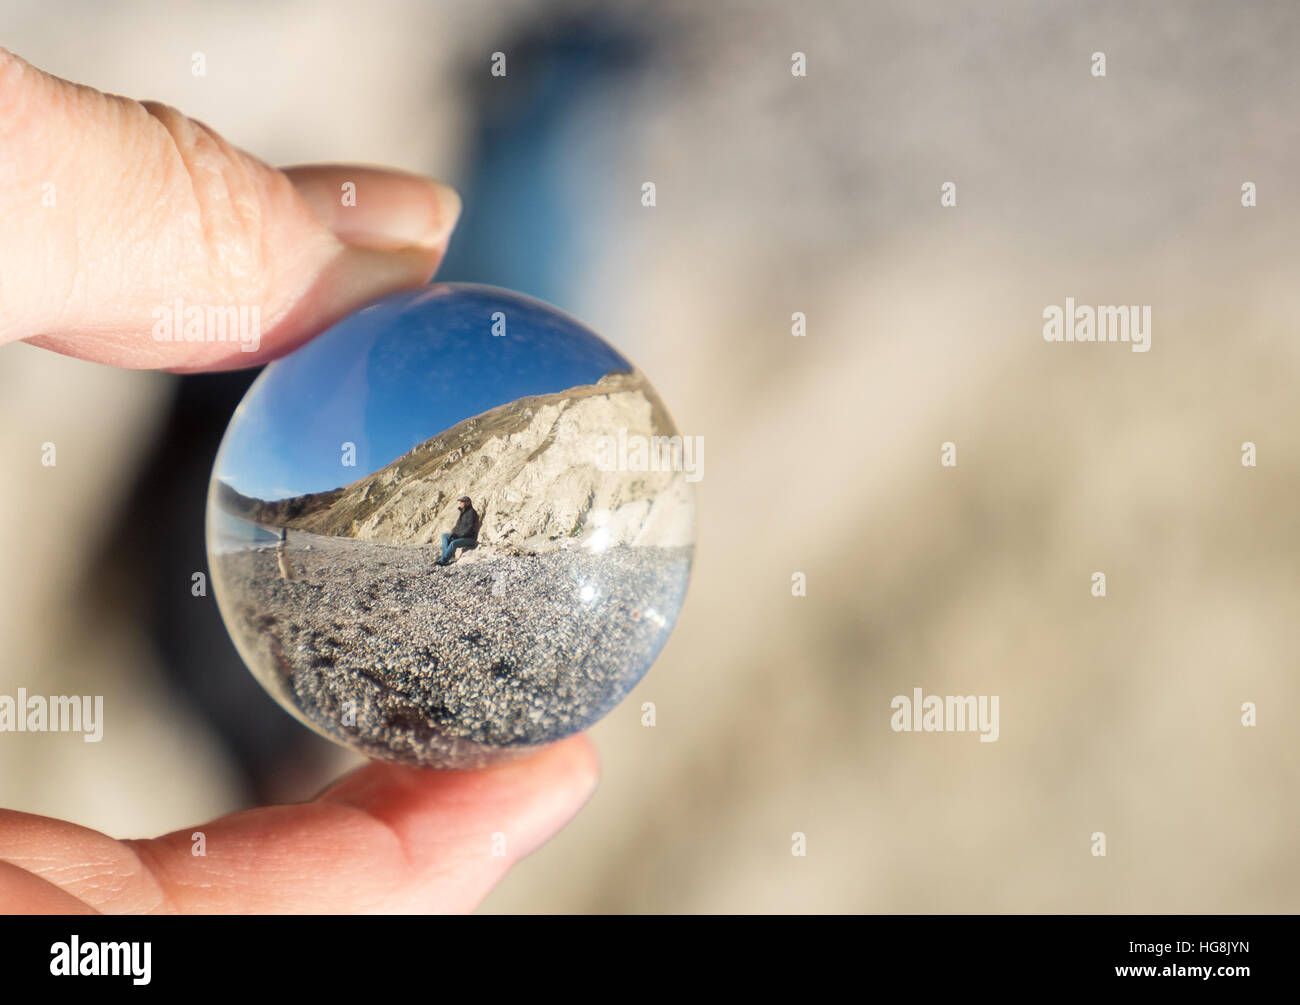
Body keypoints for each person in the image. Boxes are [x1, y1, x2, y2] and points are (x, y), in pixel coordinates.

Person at [0, 48, 597, 914]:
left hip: (308, 393)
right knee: (509, 262)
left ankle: (555, 84)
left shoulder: (227, 683)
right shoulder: (232, 687)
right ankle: (560, 82)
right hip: (337, 397)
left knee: (497, 258)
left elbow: (200, 507)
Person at [437, 496, 480, 565]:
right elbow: (458, 527)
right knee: (445, 536)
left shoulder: (472, 513)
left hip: (470, 538)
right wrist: (454, 534)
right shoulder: (463, 513)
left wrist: (458, 536)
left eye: (462, 502)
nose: (460, 503)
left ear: (468, 503)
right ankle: (446, 555)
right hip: (461, 536)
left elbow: (470, 528)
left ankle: (443, 561)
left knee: (454, 543)